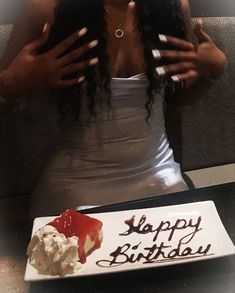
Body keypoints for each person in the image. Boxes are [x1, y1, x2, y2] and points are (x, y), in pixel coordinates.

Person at [0, 0, 227, 216]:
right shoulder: (46, 7)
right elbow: (8, 87)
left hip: (159, 175)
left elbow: (177, 99)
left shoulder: (171, 6)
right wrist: (11, 83)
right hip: (73, 186)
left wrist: (211, 72)